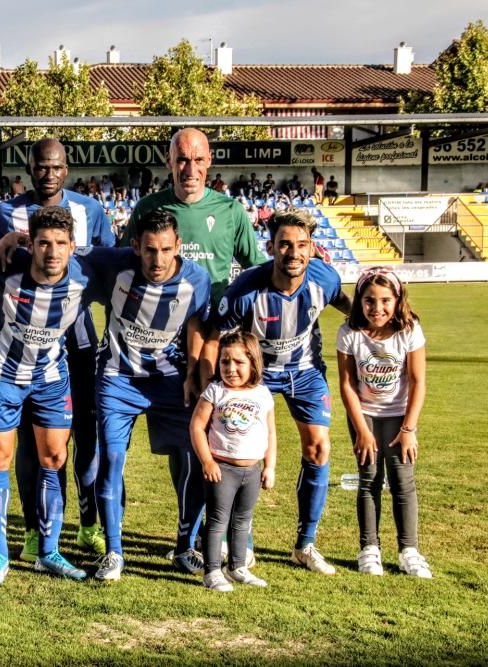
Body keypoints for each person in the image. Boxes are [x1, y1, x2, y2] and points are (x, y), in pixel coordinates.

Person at [125, 128, 266, 573]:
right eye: (181, 160)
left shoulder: (229, 211)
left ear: (209, 163)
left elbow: (256, 270)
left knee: (232, 437)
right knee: (188, 448)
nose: (190, 168)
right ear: (170, 162)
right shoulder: (150, 209)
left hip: (221, 349)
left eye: (198, 160)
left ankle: (228, 534)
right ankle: (191, 535)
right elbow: (125, 267)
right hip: (166, 348)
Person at [0, 138, 115, 562]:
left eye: (56, 167)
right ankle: (36, 530)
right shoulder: (2, 212)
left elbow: (106, 265)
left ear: (66, 168)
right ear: (29, 167)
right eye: (41, 166)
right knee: (28, 445)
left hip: (77, 338)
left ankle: (87, 524)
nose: (48, 173)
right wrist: (9, 238)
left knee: (84, 438)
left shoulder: (90, 210)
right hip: (18, 343)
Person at [210, 208, 351, 576]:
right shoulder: (245, 290)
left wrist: (373, 325)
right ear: (270, 247)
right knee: (243, 452)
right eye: (285, 245)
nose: (294, 253)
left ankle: (305, 545)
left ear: (312, 248)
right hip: (256, 377)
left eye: (302, 245)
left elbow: (345, 303)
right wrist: (211, 380)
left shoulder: (325, 277)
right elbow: (214, 334)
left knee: (319, 448)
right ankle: (244, 544)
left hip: (305, 372)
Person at [84, 209, 211, 581]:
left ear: (178, 247)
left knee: (194, 459)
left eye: (166, 249)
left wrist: (192, 372)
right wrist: (16, 240)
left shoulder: (197, 280)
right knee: (111, 459)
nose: (158, 259)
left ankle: (185, 545)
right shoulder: (114, 263)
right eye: (150, 250)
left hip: (171, 383)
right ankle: (113, 552)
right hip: (116, 378)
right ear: (135, 246)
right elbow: (64, 250)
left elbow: (197, 325)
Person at [0, 206, 93, 584]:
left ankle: (48, 550)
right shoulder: (5, 268)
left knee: (54, 456)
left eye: (59, 244)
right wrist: (7, 241)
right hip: (3, 374)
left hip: (52, 376)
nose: (51, 252)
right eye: (42, 243)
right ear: (31, 245)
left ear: (73, 246)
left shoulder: (89, 272)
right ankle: (0, 556)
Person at [336, 267, 431, 578]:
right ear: (359, 301)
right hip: (365, 414)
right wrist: (362, 431)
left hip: (399, 415)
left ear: (398, 299)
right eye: (369, 301)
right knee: (369, 479)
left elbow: (417, 382)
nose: (377, 308)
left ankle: (409, 551)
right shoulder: (349, 332)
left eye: (385, 300)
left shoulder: (409, 329)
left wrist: (409, 430)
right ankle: (369, 548)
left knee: (403, 482)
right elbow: (347, 384)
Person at [190, 331, 277, 592]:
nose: (231, 368)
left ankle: (238, 567)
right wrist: (207, 461)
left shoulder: (262, 394)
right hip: (222, 470)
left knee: (243, 520)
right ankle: (212, 571)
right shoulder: (215, 391)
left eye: (239, 362)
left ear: (253, 362)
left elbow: (271, 432)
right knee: (217, 521)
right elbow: (196, 427)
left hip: (251, 471)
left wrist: (269, 466)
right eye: (225, 361)